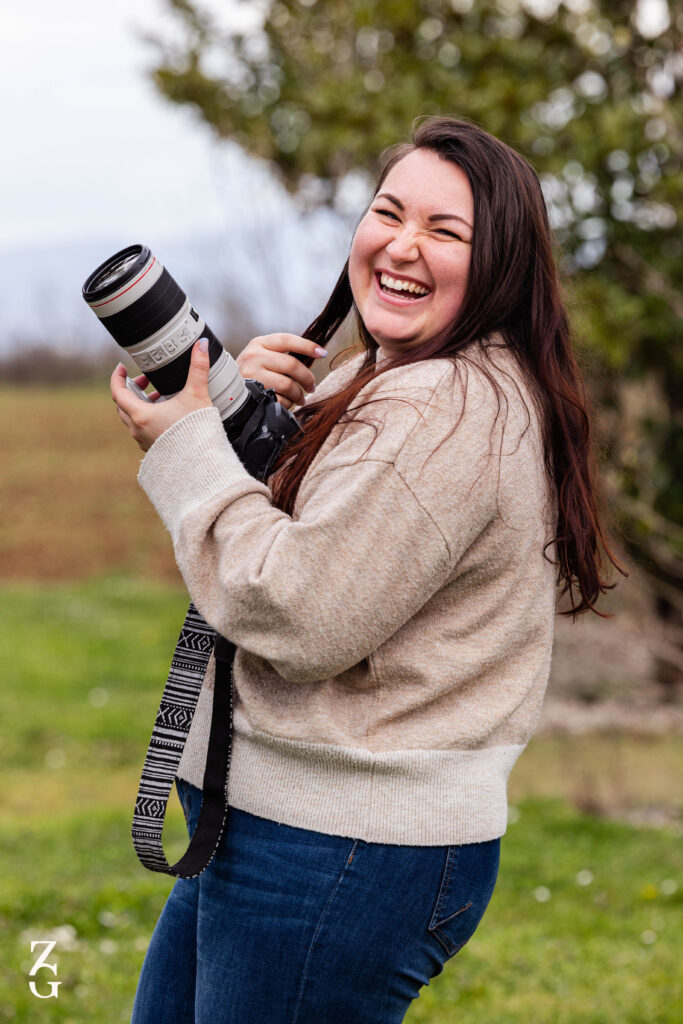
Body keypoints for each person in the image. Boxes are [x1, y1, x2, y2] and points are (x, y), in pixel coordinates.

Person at [111, 116, 625, 1024]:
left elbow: (296, 612)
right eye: (388, 212)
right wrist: (259, 417)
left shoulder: (442, 405)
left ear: (500, 264)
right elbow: (332, 543)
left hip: (335, 849)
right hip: (290, 825)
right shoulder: (404, 376)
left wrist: (186, 441)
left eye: (445, 231)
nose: (402, 244)